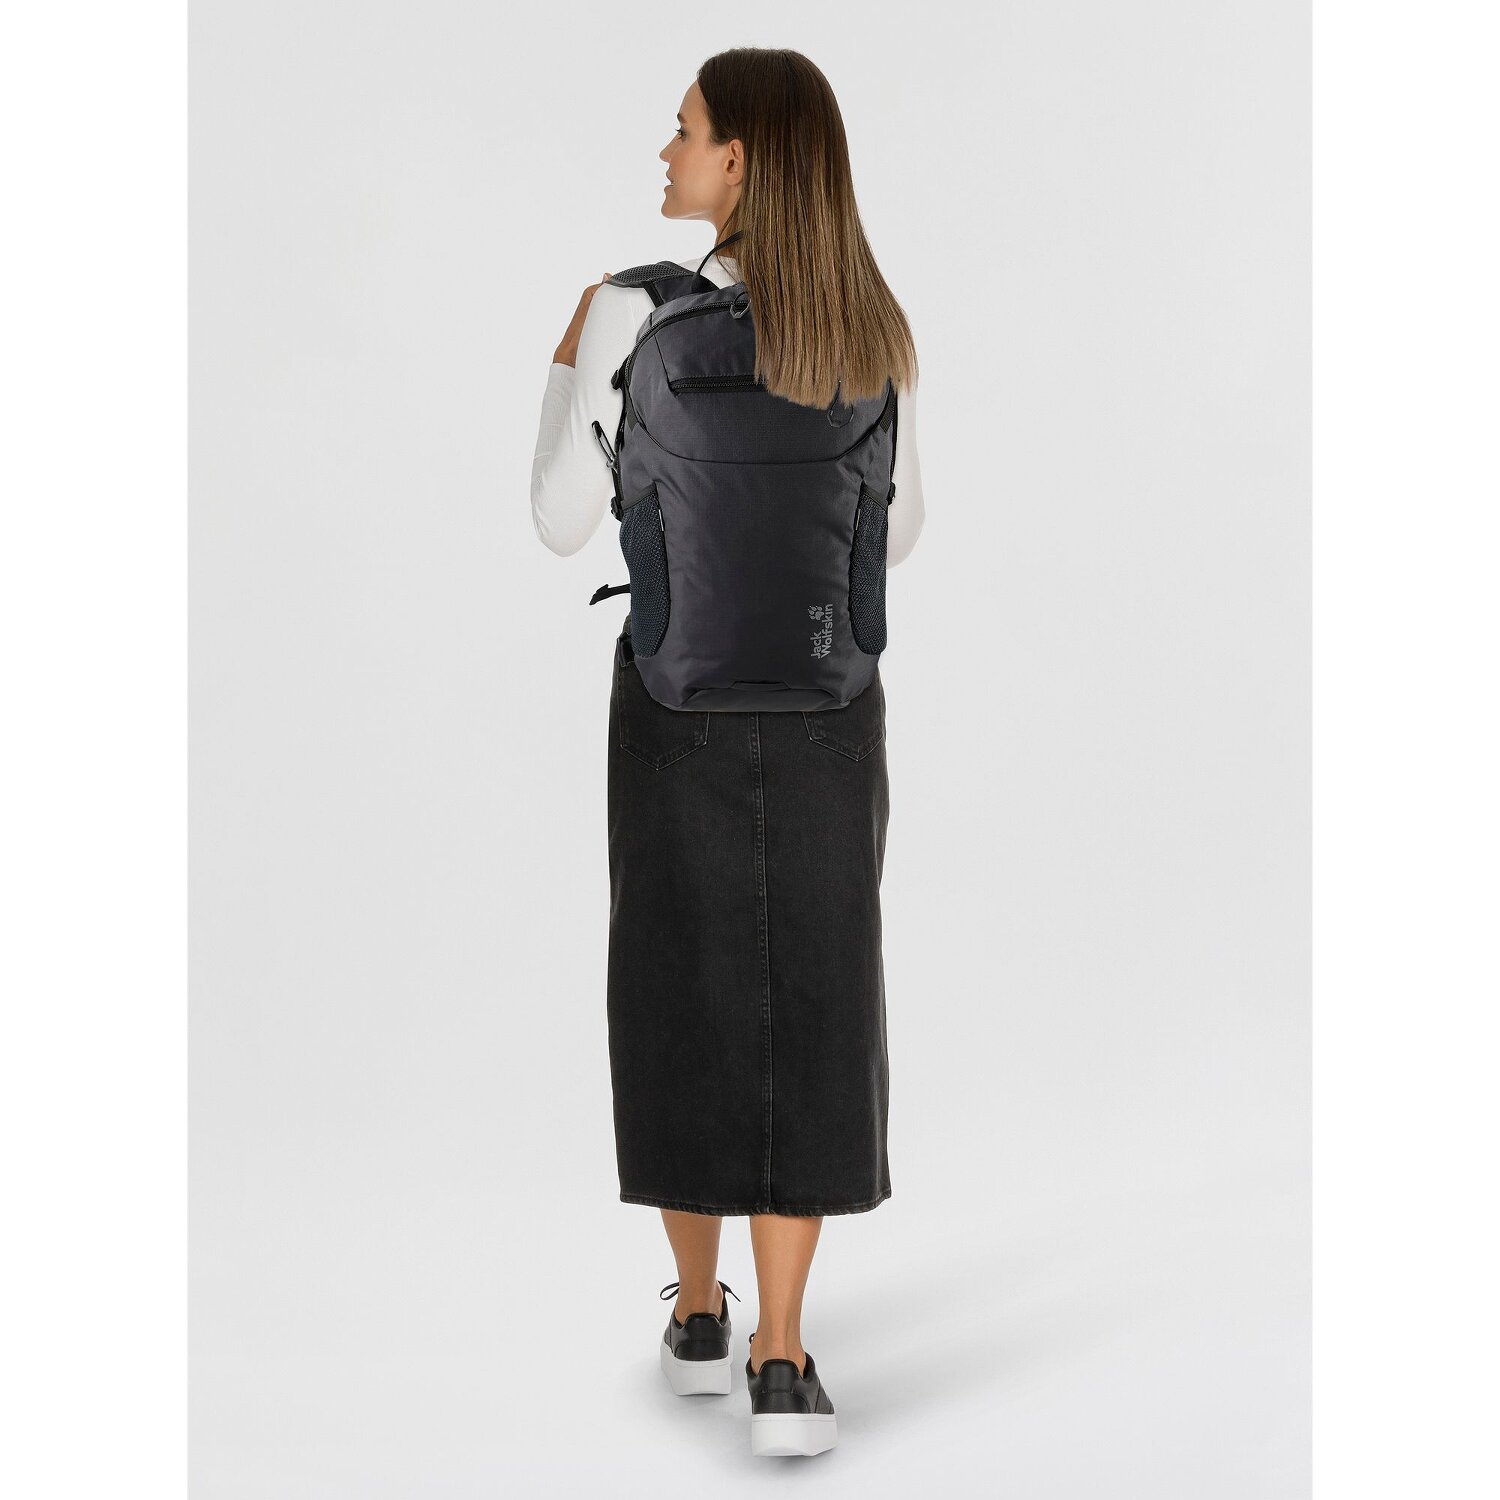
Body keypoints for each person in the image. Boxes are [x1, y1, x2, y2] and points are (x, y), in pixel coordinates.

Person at [530, 47, 925, 1457]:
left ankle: (697, 1316)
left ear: (742, 158)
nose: (667, 150)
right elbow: (902, 533)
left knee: (679, 987)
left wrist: (568, 362)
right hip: (828, 717)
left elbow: (559, 522)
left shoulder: (631, 312)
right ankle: (786, 1355)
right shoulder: (871, 326)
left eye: (686, 129)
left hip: (674, 707)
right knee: (814, 1000)